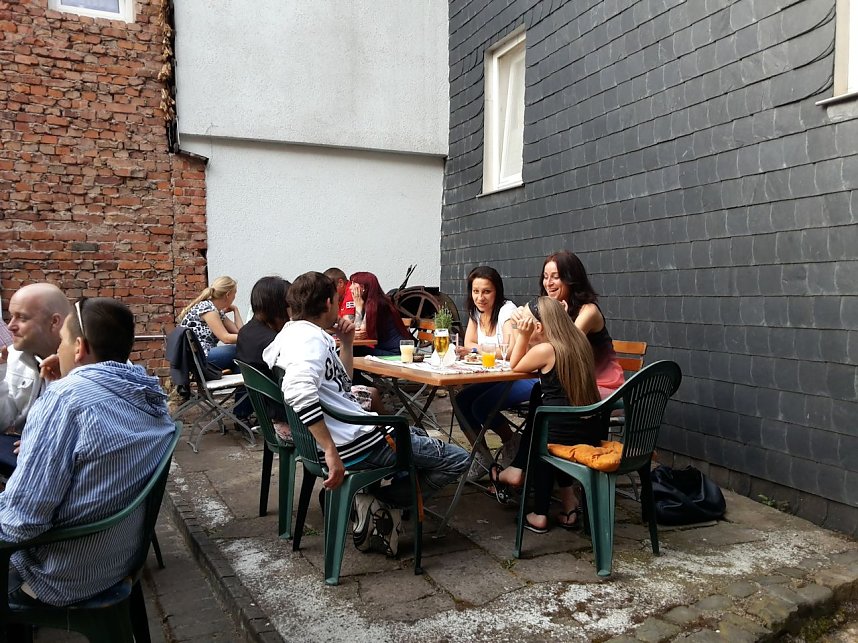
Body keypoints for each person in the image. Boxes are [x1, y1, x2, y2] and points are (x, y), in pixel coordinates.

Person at [0, 297, 174, 606]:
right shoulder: (148, 394)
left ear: (79, 347)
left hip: (58, 576)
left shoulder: (67, 401)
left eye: (63, 342)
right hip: (115, 560)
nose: (58, 351)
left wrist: (57, 397)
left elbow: (22, 522)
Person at [262, 271, 468, 516]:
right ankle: (377, 502)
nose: (340, 306)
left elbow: (342, 385)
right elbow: (298, 391)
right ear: (328, 303)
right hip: (355, 444)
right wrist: (329, 450)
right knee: (458, 458)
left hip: (342, 437)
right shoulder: (310, 342)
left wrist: (346, 343)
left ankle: (373, 500)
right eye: (338, 301)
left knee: (415, 432)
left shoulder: (291, 335)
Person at [495, 297, 605, 533]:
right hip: (589, 429)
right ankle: (557, 507)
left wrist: (522, 337)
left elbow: (514, 365)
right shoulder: (580, 343)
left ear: (538, 327)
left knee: (540, 438)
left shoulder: (547, 349)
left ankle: (539, 513)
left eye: (529, 325)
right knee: (538, 395)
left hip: (561, 433)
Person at [453, 266, 535, 479]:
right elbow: (468, 341)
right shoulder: (476, 311)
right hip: (494, 374)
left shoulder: (507, 311)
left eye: (486, 291)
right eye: (475, 291)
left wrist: (477, 349)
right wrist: (478, 348)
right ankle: (483, 457)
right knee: (461, 401)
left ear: (497, 291)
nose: (480, 297)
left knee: (480, 405)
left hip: (523, 376)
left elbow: (509, 349)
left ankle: (511, 442)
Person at [0, 284, 72, 474]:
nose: (10, 326)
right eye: (10, 315)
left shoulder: (92, 359)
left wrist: (45, 442)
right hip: (27, 453)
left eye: (21, 317)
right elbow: (4, 422)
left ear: (54, 322)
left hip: (63, 466)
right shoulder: (14, 356)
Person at [539, 251, 624, 397]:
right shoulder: (555, 310)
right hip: (579, 386)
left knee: (549, 398)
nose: (548, 283)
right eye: (545, 277)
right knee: (538, 395)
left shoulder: (589, 311)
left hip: (604, 389)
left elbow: (564, 351)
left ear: (571, 279)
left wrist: (560, 320)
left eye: (556, 277)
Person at [178, 276, 244, 371]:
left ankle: (242, 384)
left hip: (203, 356)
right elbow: (226, 338)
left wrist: (235, 311)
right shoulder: (208, 309)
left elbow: (239, 332)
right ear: (228, 294)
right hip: (201, 358)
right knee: (240, 350)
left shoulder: (216, 310)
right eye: (235, 293)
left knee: (241, 365)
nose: (235, 297)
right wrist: (251, 339)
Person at [349, 271, 411, 356]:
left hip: (395, 353)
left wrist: (358, 307)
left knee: (353, 351)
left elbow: (359, 333)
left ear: (363, 287)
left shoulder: (378, 304)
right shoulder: (370, 302)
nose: (350, 287)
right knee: (349, 350)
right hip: (384, 349)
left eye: (353, 283)